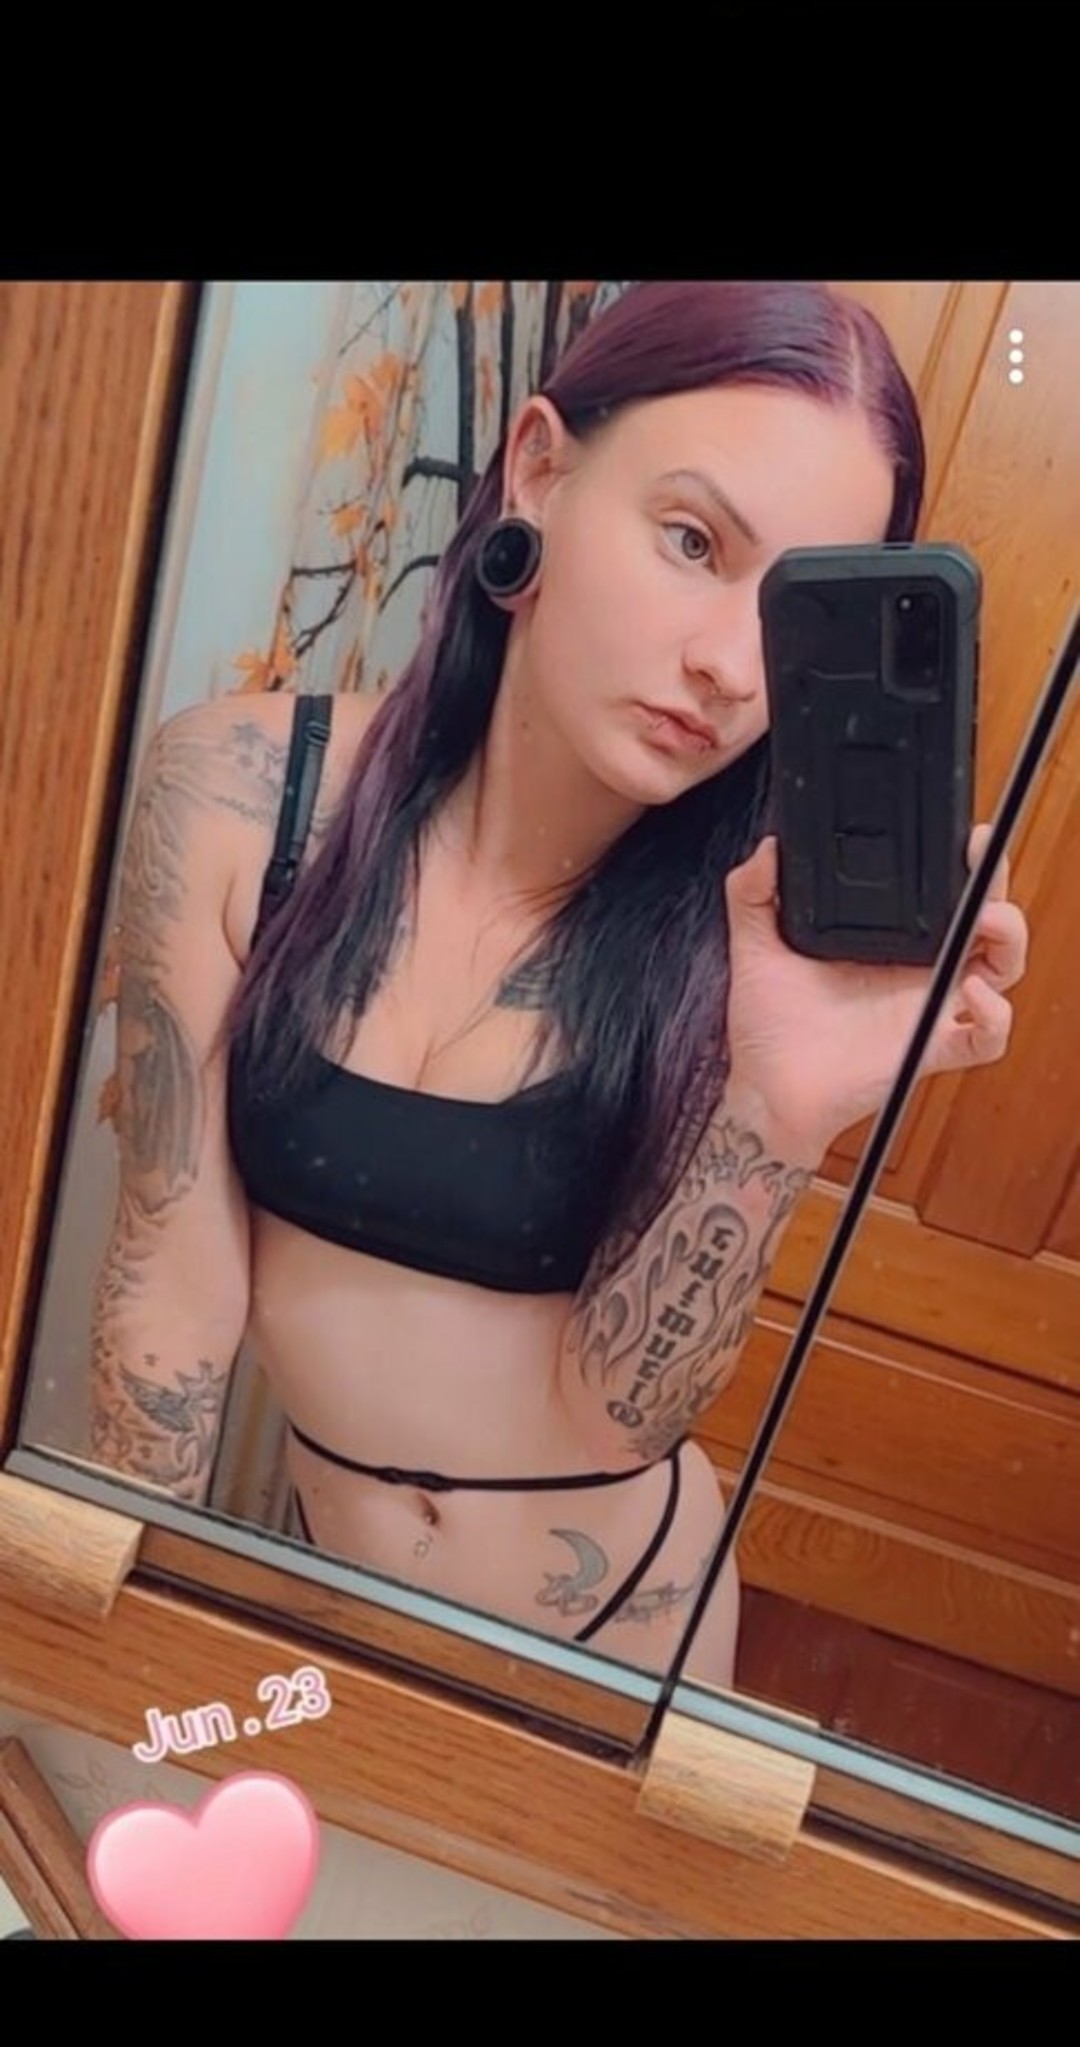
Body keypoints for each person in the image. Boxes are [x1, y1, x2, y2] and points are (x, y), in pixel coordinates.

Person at [90, 280, 1028, 1684]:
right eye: (693, 540)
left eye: (789, 615)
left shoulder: (747, 935)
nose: (729, 667)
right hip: (313, 1609)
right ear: (540, 467)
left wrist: (779, 1111)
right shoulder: (238, 797)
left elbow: (619, 1412)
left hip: (620, 1639)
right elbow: (170, 1300)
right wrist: (120, 1658)